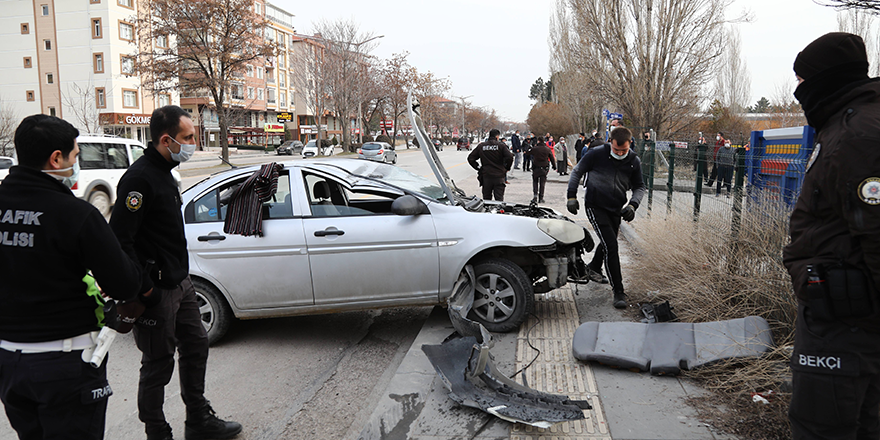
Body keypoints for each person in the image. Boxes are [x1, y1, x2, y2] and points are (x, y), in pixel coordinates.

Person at [0, 115, 143, 439]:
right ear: (56, 158)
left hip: (9, 362)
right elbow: (124, 284)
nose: (76, 164)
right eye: (75, 157)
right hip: (64, 363)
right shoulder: (75, 214)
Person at [110, 106, 242, 440]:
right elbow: (120, 241)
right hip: (155, 291)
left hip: (180, 284)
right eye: (188, 138)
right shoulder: (139, 179)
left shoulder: (166, 171)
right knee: (158, 364)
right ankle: (158, 433)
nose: (193, 144)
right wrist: (145, 291)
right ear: (166, 140)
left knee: (196, 346)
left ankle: (198, 421)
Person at [783, 32, 880, 440]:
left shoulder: (857, 137)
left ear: (827, 80)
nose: (797, 90)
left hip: (846, 323)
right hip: (842, 316)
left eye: (803, 80)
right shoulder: (850, 124)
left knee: (822, 427)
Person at [566, 126, 645, 309]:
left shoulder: (633, 161)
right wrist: (571, 196)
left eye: (623, 150)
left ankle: (593, 266)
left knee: (608, 239)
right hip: (595, 205)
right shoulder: (596, 154)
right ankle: (618, 290)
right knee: (611, 245)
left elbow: (639, 187)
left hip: (616, 208)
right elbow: (577, 172)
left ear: (629, 145)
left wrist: (633, 204)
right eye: (616, 150)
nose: (620, 153)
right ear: (610, 143)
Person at [468, 128, 513, 201]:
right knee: (499, 199)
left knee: (486, 199)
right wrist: (507, 168)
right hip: (499, 175)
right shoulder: (501, 146)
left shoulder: (482, 146)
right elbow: (510, 157)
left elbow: (471, 158)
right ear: (497, 136)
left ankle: (487, 212)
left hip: (486, 175)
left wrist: (478, 167)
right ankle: (498, 212)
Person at [530, 136, 555, 203]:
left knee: (535, 182)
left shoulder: (535, 148)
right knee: (542, 183)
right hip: (544, 167)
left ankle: (535, 195)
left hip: (536, 167)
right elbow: (552, 158)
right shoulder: (547, 149)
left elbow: (528, 152)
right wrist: (554, 166)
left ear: (538, 141)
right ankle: (541, 198)